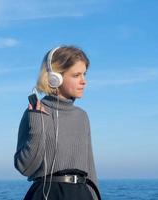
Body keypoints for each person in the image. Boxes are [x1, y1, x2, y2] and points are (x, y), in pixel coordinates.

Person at [14, 45, 101, 200]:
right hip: (48, 194)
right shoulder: (34, 113)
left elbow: (90, 169)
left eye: (84, 74)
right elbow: (26, 168)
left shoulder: (82, 116)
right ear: (55, 77)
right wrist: (37, 126)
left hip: (82, 194)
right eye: (76, 75)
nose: (84, 81)